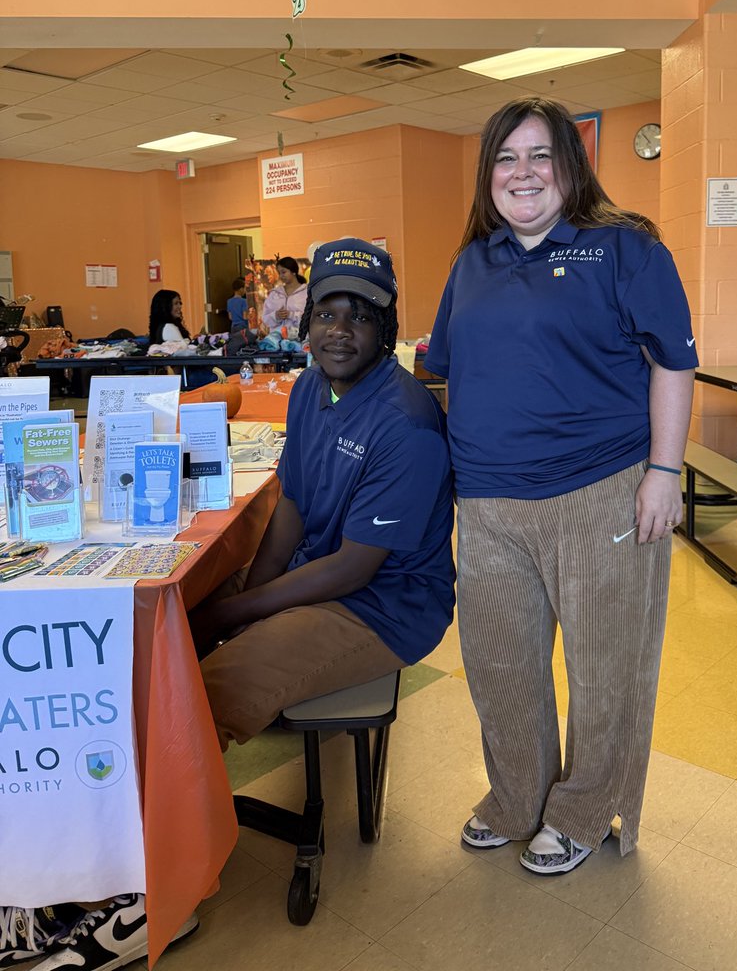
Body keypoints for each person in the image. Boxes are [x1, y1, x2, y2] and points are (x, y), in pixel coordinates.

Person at [425, 97, 696, 874]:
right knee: (500, 665)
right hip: (487, 502)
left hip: (600, 491)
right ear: (489, 176)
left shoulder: (624, 248)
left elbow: (672, 364)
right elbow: (442, 370)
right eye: (507, 158)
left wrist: (665, 473)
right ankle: (517, 798)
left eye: (541, 155)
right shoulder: (472, 262)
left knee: (606, 668)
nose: (523, 173)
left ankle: (581, 810)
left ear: (569, 168)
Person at [191, 238, 455, 750]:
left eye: (359, 317)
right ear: (307, 322)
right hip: (313, 569)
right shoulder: (311, 389)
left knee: (201, 695)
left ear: (385, 330)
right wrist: (249, 601)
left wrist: (235, 615)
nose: (338, 332)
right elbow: (291, 505)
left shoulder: (407, 425)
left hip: (380, 606)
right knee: (172, 628)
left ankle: (174, 825)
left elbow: (353, 569)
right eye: (326, 314)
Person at [260, 256, 307, 332]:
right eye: (279, 273)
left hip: (299, 339)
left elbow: (311, 318)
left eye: (284, 272)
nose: (281, 276)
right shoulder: (274, 293)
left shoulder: (307, 292)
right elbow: (265, 318)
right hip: (277, 339)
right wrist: (275, 316)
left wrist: (291, 315)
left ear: (294, 272)